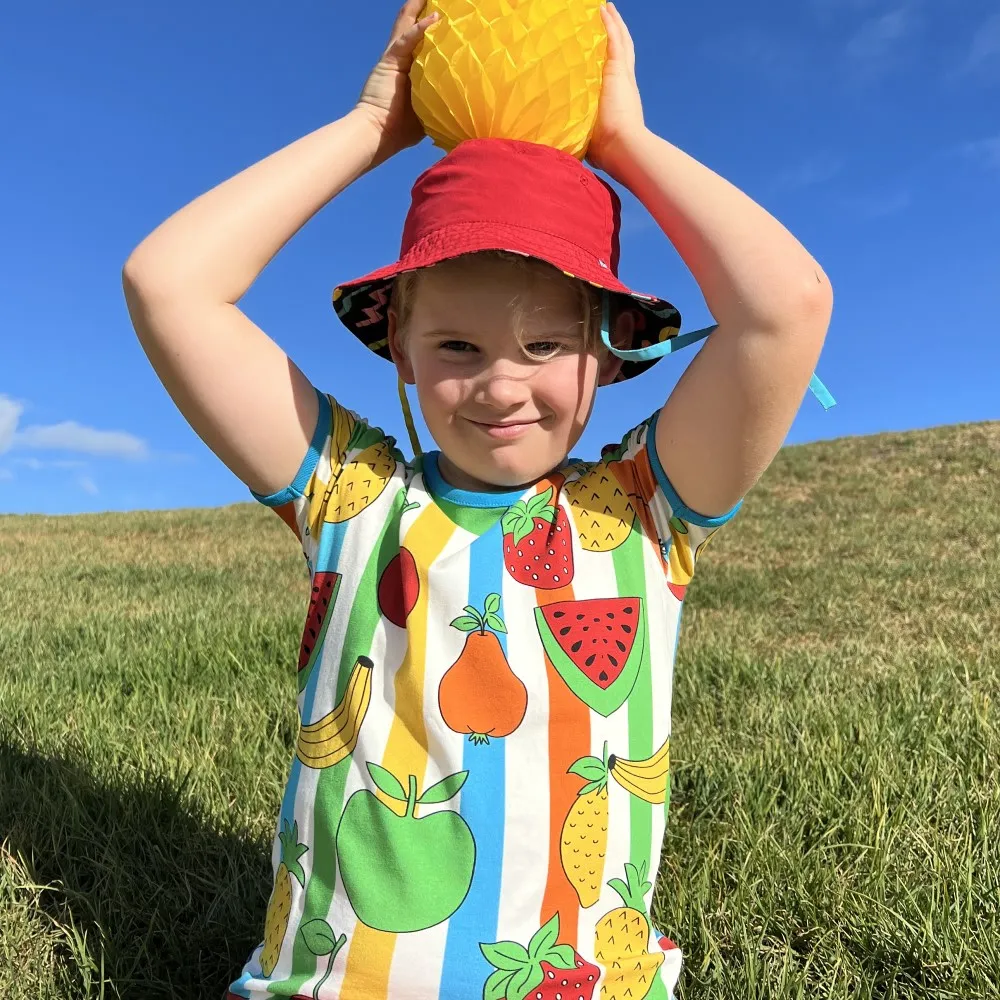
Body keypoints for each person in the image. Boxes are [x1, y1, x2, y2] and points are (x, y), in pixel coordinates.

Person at [122, 2, 833, 998]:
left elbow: (787, 307)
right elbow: (168, 283)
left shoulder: (642, 510)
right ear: (400, 356)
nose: (502, 385)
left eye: (545, 343)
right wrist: (374, 121)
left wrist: (623, 138)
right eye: (456, 346)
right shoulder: (351, 496)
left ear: (609, 351)